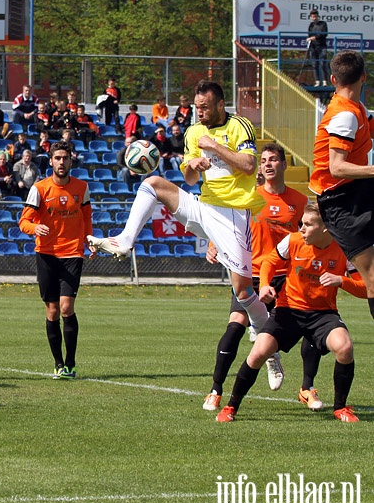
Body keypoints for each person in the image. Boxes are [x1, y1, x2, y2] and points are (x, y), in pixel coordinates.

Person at [89, 80, 270, 338]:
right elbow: (189, 180)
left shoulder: (240, 125)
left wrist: (215, 146)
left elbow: (250, 166)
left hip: (233, 213)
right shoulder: (193, 132)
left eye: (205, 107)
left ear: (220, 104)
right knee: (152, 184)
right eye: (197, 107)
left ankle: (265, 337)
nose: (200, 112)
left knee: (242, 291)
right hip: (204, 207)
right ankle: (124, 241)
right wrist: (193, 164)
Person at [216, 203, 366, 423]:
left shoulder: (344, 248)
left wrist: (341, 281)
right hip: (288, 311)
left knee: (345, 348)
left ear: (325, 227)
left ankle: (340, 408)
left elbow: (365, 288)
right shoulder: (293, 241)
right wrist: (265, 284)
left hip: (323, 314)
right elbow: (270, 261)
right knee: (258, 353)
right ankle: (231, 407)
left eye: (307, 224)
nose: (301, 229)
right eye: (301, 224)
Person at [202, 143, 308, 411]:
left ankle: (307, 386)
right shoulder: (248, 197)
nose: (268, 164)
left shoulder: (300, 201)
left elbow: (310, 236)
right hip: (250, 276)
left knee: (312, 324)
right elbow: (227, 226)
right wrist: (214, 244)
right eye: (264, 160)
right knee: (235, 326)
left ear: (284, 165)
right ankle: (215, 389)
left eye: (274, 160)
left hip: (285, 278)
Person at [309, 50, 374, 323]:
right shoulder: (344, 115)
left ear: (333, 79)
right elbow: (336, 168)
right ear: (364, 77)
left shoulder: (354, 108)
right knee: (371, 276)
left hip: (356, 191)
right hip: (341, 202)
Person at [18, 141, 92, 378]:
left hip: (72, 253)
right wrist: (34, 228)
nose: (62, 162)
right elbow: (23, 222)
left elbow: (87, 217)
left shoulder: (82, 187)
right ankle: (58, 363)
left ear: (71, 161)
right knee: (52, 312)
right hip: (46, 255)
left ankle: (70, 363)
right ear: (50, 161)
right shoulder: (39, 189)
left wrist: (89, 240)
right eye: (57, 158)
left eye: (65, 158)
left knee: (66, 307)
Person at [306, 9, 329, 86]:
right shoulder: (311, 25)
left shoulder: (323, 24)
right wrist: (310, 39)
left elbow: (324, 33)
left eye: (315, 16)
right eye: (313, 16)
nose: (314, 18)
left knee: (323, 63)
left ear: (318, 16)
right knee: (314, 64)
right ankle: (317, 81)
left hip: (322, 46)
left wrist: (315, 37)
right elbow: (309, 35)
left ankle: (325, 81)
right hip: (313, 47)